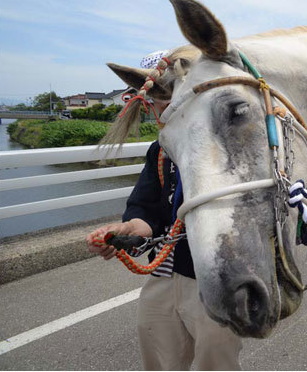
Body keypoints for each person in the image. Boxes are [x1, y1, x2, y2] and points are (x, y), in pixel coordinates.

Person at [86, 52, 242, 371]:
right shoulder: (159, 150)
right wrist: (132, 228)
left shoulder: (227, 141)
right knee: (156, 351)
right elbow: (146, 206)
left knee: (216, 360)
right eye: (158, 98)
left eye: (171, 95)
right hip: (164, 274)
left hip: (214, 276)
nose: (166, 105)